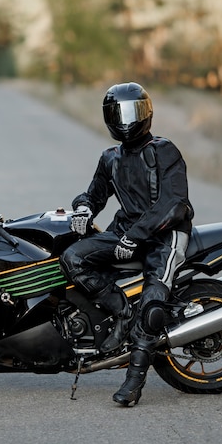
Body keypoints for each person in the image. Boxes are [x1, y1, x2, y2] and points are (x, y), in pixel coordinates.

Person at [59, 82, 194, 406]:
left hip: (166, 235)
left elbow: (174, 204)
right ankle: (121, 312)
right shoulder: (110, 157)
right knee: (72, 258)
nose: (125, 119)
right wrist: (83, 209)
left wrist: (135, 236)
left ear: (146, 113)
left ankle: (133, 383)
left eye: (132, 111)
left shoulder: (164, 150)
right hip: (126, 231)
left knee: (151, 307)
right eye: (117, 112)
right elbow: (94, 194)